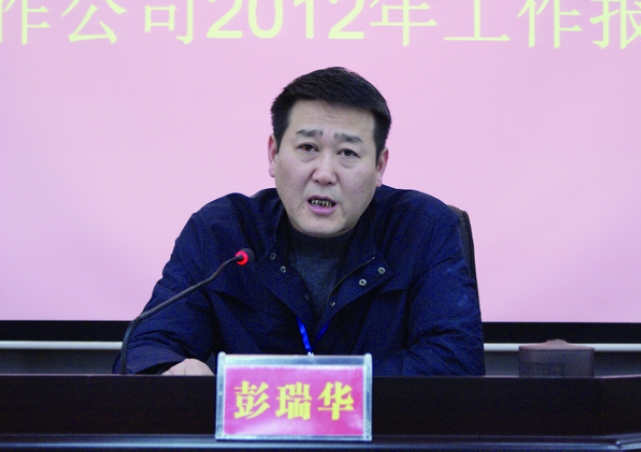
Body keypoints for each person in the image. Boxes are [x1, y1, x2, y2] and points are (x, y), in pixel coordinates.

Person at [115, 67, 485, 376]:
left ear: (379, 166)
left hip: (384, 435)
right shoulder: (221, 232)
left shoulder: (422, 230)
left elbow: (456, 360)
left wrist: (317, 395)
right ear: (274, 154)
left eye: (348, 153)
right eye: (308, 148)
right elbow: (146, 349)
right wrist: (168, 370)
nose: (324, 173)